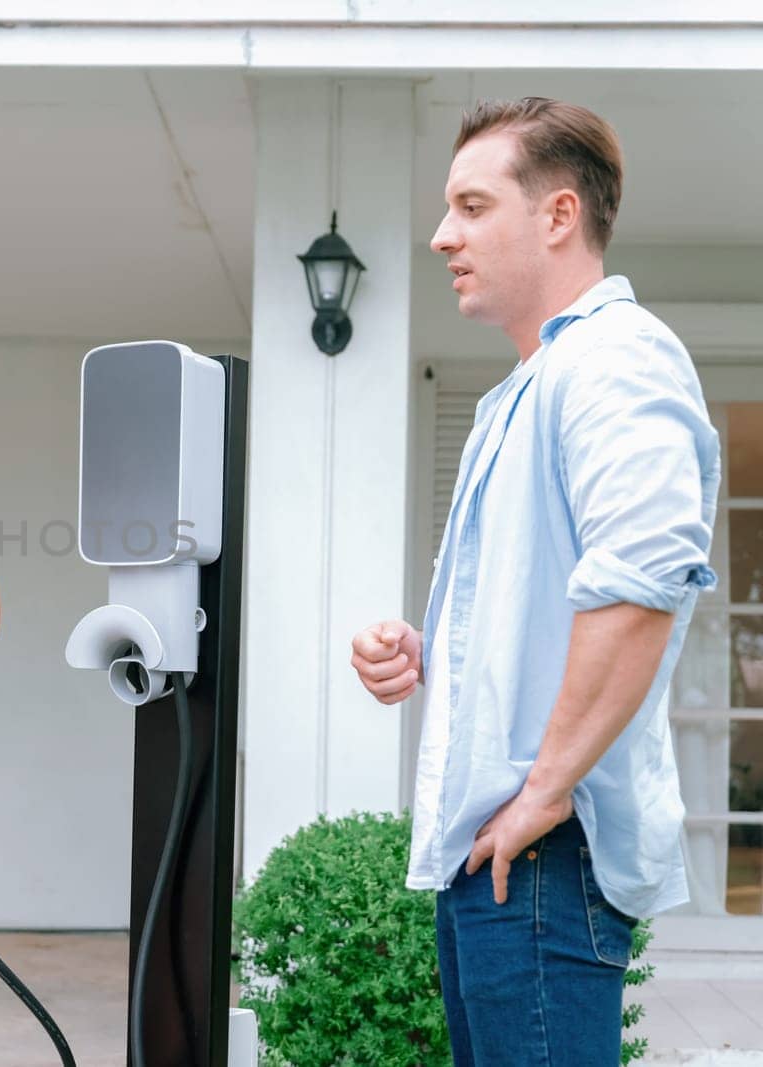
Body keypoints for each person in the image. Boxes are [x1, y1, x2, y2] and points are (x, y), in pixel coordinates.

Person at [350, 99, 720, 1065]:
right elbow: (549, 609)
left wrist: (543, 792)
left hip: (544, 850)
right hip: (500, 851)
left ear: (557, 215)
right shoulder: (524, 388)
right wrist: (426, 652)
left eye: (472, 206)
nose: (442, 236)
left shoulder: (615, 359)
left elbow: (641, 588)